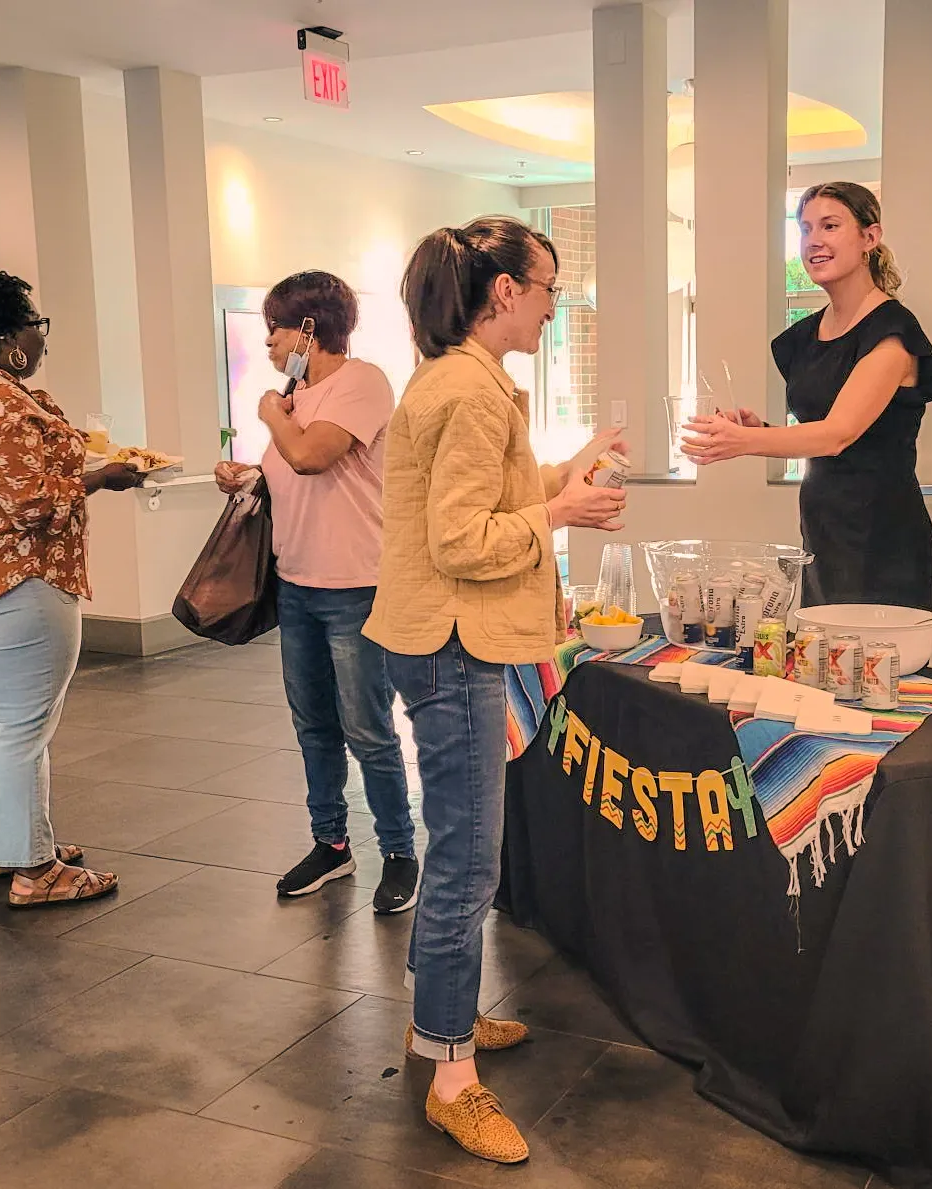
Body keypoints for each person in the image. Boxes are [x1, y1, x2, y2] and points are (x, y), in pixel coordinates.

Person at [363, 217, 626, 1163]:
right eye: (549, 286)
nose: (556, 306)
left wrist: (565, 474)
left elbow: (483, 502)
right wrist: (558, 510)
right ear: (503, 290)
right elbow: (463, 540)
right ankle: (449, 1074)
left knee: (464, 853)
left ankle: (442, 1019)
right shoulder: (470, 393)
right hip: (451, 644)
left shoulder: (458, 381)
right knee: (468, 862)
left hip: (438, 639)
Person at [213, 271, 420, 914]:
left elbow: (311, 457)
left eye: (274, 328)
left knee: (368, 727)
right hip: (297, 585)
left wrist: (275, 417)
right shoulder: (295, 395)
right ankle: (331, 844)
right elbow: (289, 472)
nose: (269, 343)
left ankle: (398, 852)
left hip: (355, 586)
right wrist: (246, 474)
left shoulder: (362, 383)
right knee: (313, 726)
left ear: (308, 328)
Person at [0, 271, 141, 908]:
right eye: (35, 325)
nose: (40, 336)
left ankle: (4, 844)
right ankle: (35, 869)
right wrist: (102, 477)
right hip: (21, 577)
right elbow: (28, 504)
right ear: (9, 338)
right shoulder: (0, 401)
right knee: (25, 727)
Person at [682, 182, 932, 611]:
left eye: (831, 226)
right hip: (823, 526)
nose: (813, 241)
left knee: (872, 669)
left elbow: (837, 435)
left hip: (882, 531)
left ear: (870, 238)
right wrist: (758, 431)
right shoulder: (805, 336)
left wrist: (743, 443)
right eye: (805, 229)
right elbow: (815, 430)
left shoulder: (892, 333)